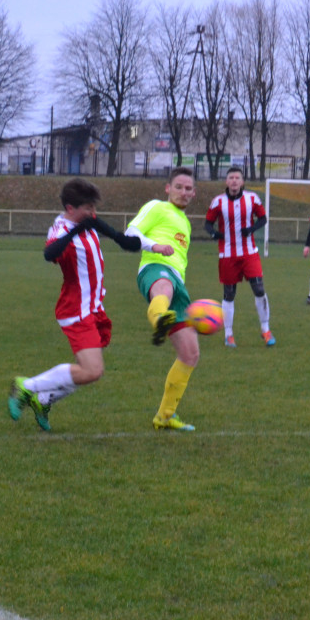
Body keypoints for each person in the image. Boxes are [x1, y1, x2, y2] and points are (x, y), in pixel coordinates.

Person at [9, 178, 142, 432]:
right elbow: (49, 254)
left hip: (94, 308)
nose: (93, 214)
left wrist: (147, 244)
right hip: (76, 309)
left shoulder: (87, 222)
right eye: (88, 209)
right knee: (92, 370)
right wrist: (75, 231)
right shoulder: (61, 230)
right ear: (71, 208)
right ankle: (27, 387)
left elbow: (122, 240)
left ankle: (44, 399)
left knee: (89, 370)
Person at [125, 167, 201, 432]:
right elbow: (131, 233)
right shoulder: (157, 207)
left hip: (178, 282)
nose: (183, 192)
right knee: (164, 288)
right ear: (167, 188)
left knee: (190, 354)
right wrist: (154, 246)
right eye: (178, 186)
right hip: (154, 268)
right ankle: (159, 318)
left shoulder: (186, 223)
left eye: (188, 188)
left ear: (194, 193)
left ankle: (165, 416)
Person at [204, 166, 275, 348]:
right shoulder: (218, 202)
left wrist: (251, 229)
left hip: (249, 252)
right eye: (231, 178)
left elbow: (263, 218)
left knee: (259, 289)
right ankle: (229, 335)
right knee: (229, 294)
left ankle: (265, 329)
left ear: (242, 181)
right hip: (227, 255)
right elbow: (208, 224)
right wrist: (215, 234)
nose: (234, 181)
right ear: (226, 182)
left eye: (237, 178)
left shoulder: (252, 198)